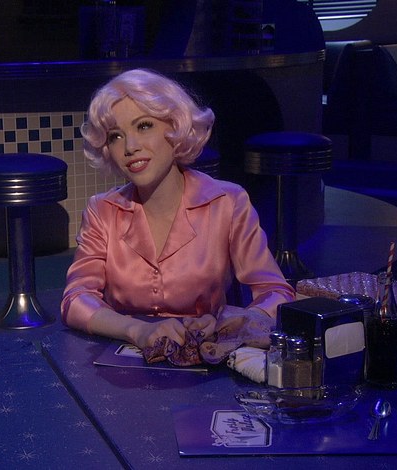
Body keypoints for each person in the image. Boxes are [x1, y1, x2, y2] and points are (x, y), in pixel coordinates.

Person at [60, 68, 295, 350]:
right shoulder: (102, 210)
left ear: (175, 126)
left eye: (143, 126)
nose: (130, 147)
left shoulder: (228, 202)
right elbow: (76, 299)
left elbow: (275, 292)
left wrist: (234, 322)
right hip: (124, 357)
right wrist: (136, 330)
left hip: (205, 354)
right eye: (115, 137)